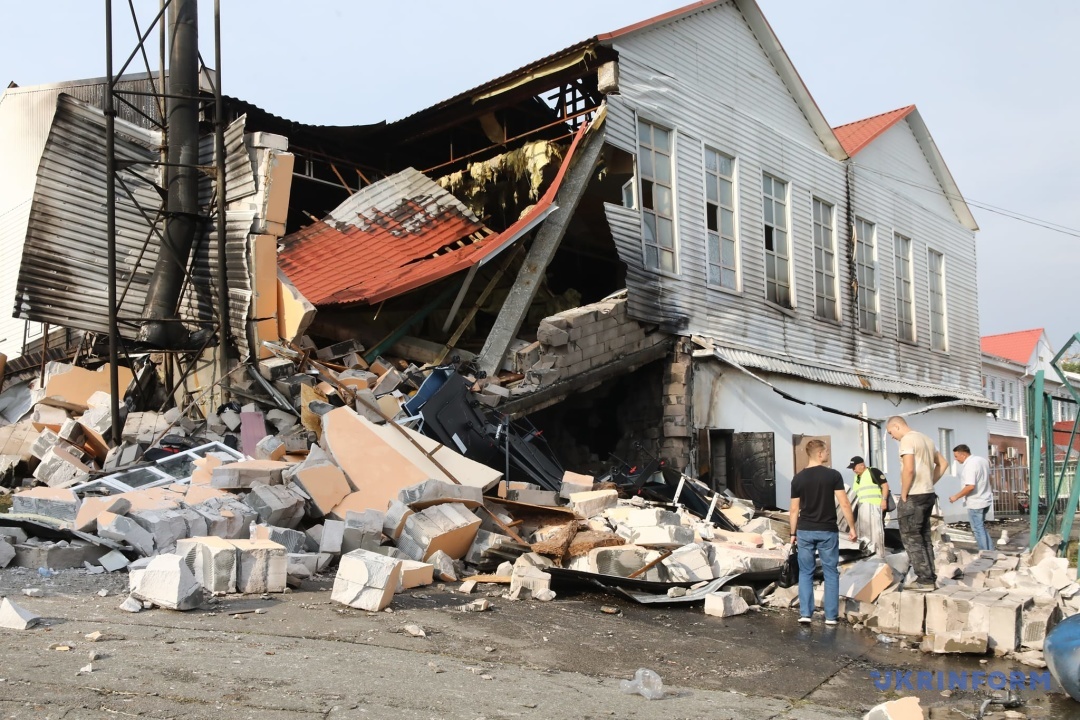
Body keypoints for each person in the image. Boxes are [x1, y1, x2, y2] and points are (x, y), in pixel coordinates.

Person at [790, 439, 857, 625]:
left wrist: (792, 534)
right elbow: (844, 503)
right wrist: (852, 528)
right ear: (819, 454)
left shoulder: (798, 478)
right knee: (830, 572)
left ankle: (805, 613)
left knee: (805, 572)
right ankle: (830, 617)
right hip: (827, 531)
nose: (827, 454)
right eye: (826, 451)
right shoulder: (833, 476)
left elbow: (794, 510)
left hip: (805, 530)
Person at [885, 416, 949, 591]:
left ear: (897, 426)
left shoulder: (907, 440)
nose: (892, 436)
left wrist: (904, 492)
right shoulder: (926, 439)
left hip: (913, 495)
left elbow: (909, 468)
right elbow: (943, 464)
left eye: (891, 432)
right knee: (924, 536)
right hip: (928, 494)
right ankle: (929, 576)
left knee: (911, 538)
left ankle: (924, 580)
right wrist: (929, 481)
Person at [948, 444, 994, 551]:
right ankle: (990, 551)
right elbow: (990, 478)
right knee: (981, 527)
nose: (955, 459)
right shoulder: (982, 460)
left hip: (975, 502)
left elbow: (970, 486)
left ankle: (984, 553)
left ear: (963, 454)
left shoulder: (970, 465)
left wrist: (956, 497)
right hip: (985, 499)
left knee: (978, 529)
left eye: (956, 456)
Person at [848, 456, 890, 557]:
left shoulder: (873, 471)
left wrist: (883, 500)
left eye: (855, 467)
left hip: (874, 508)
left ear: (862, 465)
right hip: (862, 511)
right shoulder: (857, 478)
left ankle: (879, 556)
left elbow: (885, 486)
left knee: (877, 535)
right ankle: (868, 557)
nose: (853, 470)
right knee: (865, 537)